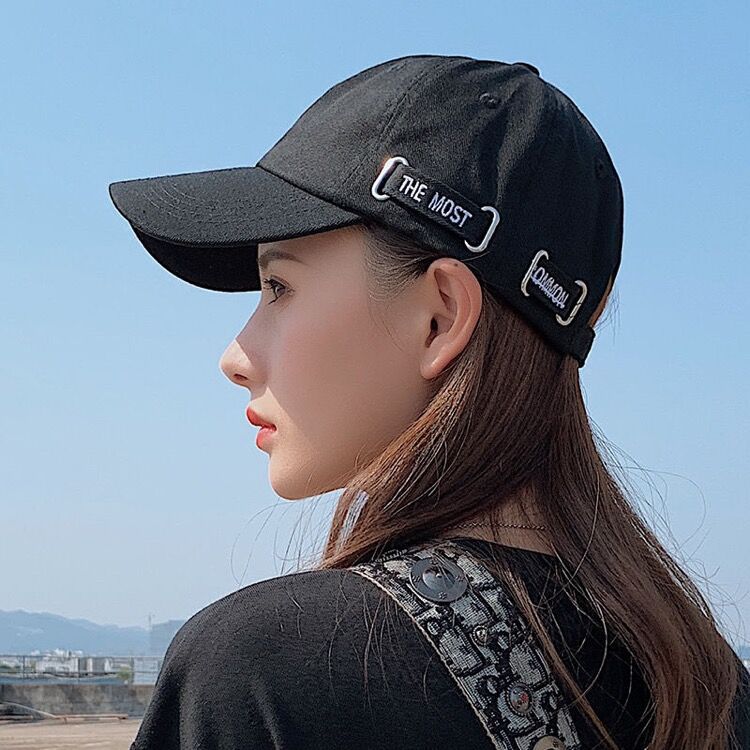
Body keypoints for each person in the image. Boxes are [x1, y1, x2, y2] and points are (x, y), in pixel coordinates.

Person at [109, 54, 749, 749]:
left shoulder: (268, 675)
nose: (235, 358)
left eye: (278, 288)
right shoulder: (709, 685)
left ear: (440, 318)